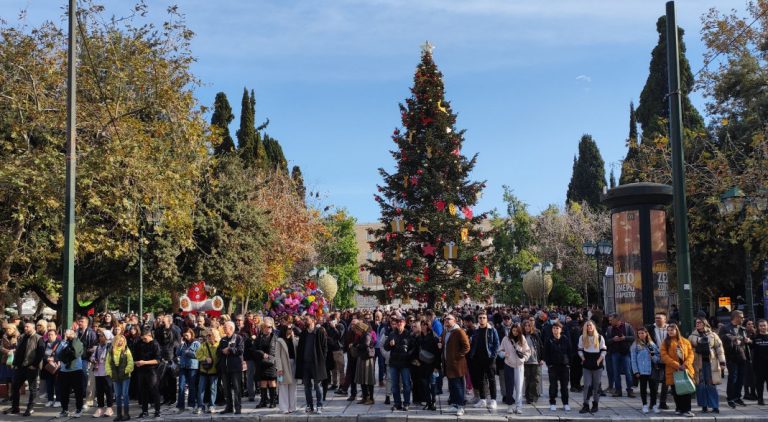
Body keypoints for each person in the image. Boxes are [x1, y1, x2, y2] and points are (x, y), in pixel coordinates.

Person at [3, 322, 44, 417]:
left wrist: (34, 365)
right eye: (25, 326)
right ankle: (15, 407)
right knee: (15, 386)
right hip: (20, 367)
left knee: (32, 389)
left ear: (33, 328)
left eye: (27, 327)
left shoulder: (39, 338)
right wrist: (15, 364)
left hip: (31, 368)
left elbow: (40, 354)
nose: (25, 328)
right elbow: (18, 351)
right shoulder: (22, 337)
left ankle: (30, 408)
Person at [689, 318, 725, 414]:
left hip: (711, 363)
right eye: (696, 323)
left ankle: (715, 406)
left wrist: (722, 362)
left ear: (705, 323)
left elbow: (719, 348)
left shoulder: (713, 335)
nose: (697, 324)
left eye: (699, 322)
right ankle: (704, 406)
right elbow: (689, 349)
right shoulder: (692, 336)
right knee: (700, 385)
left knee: (711, 384)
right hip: (698, 364)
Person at [660, 323, 695, 417]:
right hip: (673, 370)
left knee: (686, 390)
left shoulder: (685, 341)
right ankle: (679, 408)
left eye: (672, 330)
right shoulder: (665, 342)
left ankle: (687, 410)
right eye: (669, 330)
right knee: (676, 391)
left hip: (685, 369)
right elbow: (664, 356)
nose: (670, 332)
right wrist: (676, 365)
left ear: (677, 330)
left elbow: (691, 354)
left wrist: (685, 364)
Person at [296, 314, 328, 414]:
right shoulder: (304, 333)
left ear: (313, 320)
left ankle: (319, 405)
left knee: (317, 386)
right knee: (306, 386)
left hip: (316, 363)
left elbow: (324, 348)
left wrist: (322, 360)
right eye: (304, 319)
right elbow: (300, 348)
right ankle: (309, 405)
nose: (305, 321)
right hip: (305, 364)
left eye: (307, 319)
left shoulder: (319, 332)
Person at [384, 312, 417, 411]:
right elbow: (386, 347)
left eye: (401, 322)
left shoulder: (408, 334)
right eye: (397, 322)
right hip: (394, 363)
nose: (399, 324)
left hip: (405, 363)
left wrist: (408, 355)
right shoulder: (392, 334)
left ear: (404, 323)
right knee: (395, 385)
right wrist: (390, 344)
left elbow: (414, 347)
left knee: (406, 384)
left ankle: (406, 403)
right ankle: (397, 403)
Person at [468, 311, 500, 409]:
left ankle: (493, 400)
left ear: (487, 319)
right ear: (478, 319)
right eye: (480, 318)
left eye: (484, 317)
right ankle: (483, 400)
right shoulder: (476, 331)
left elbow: (496, 344)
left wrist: (493, 356)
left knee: (491, 379)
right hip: (478, 359)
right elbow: (473, 344)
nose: (482, 319)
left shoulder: (492, 330)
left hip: (489, 359)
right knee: (480, 380)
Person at [719, 310, 750, 408]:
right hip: (731, 357)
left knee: (740, 378)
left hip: (742, 356)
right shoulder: (725, 328)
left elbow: (743, 342)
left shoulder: (742, 329)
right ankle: (730, 398)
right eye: (741, 317)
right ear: (735, 317)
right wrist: (732, 340)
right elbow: (721, 341)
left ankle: (737, 397)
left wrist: (746, 341)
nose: (743, 319)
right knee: (733, 378)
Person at [440, 313, 470, 416]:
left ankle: (461, 406)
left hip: (457, 364)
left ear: (454, 321)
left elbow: (466, 347)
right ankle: (454, 404)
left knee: (458, 386)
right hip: (448, 363)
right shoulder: (445, 332)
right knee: (452, 385)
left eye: (449, 319)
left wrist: (457, 357)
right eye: (445, 319)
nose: (446, 320)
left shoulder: (459, 331)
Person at [499, 323, 530, 414]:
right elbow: (500, 351)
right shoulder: (506, 339)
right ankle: (510, 405)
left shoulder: (522, 339)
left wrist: (523, 359)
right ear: (511, 330)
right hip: (508, 365)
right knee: (509, 386)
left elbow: (527, 351)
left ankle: (518, 406)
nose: (515, 332)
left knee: (519, 387)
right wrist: (504, 354)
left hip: (520, 366)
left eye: (517, 331)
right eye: (513, 330)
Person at [578, 320, 606, 414]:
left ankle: (595, 404)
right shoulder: (582, 337)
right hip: (587, 363)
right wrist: (582, 358)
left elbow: (604, 350)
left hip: (597, 364)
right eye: (587, 325)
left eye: (590, 325)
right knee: (587, 385)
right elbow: (580, 349)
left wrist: (599, 360)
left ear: (594, 326)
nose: (589, 327)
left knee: (596, 385)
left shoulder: (599, 337)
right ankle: (585, 404)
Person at [630, 327, 660, 414]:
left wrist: (654, 357)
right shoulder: (635, 345)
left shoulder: (652, 344)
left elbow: (658, 356)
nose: (641, 335)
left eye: (642, 333)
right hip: (641, 370)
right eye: (639, 333)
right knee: (643, 388)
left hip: (652, 369)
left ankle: (654, 405)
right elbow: (633, 359)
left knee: (653, 389)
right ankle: (644, 405)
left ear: (646, 333)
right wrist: (636, 371)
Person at [56, 329, 85, 418]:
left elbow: (76, 353)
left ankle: (79, 409)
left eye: (69, 333)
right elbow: (57, 353)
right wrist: (64, 341)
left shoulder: (77, 342)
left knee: (78, 391)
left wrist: (70, 342)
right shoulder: (63, 342)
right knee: (64, 392)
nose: (67, 335)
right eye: (66, 333)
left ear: (74, 334)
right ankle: (64, 409)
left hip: (76, 370)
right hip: (64, 371)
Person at [605, 313, 635, 398]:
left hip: (625, 352)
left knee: (628, 372)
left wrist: (624, 338)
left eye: (612, 320)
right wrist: (613, 340)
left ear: (617, 320)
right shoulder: (610, 329)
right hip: (615, 353)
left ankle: (630, 390)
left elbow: (633, 337)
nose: (610, 322)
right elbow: (606, 341)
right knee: (616, 372)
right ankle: (618, 390)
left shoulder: (627, 326)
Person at [218, 321, 244, 414]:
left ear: (231, 328)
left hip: (235, 368)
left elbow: (240, 350)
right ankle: (229, 407)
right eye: (224, 327)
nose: (224, 328)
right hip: (225, 368)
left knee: (237, 389)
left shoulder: (238, 338)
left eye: (225, 327)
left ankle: (238, 408)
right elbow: (218, 352)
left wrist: (230, 349)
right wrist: (222, 351)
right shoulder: (223, 339)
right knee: (226, 389)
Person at [544, 321, 572, 411]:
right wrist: (549, 364)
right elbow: (546, 354)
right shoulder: (549, 340)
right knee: (553, 385)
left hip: (564, 366)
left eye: (557, 328)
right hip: (553, 366)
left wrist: (568, 363)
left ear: (561, 329)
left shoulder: (565, 339)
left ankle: (565, 403)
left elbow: (570, 352)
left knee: (564, 386)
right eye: (553, 328)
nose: (555, 330)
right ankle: (552, 402)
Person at [106, 334, 134, 422]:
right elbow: (107, 363)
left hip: (125, 375)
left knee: (125, 395)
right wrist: (110, 373)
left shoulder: (126, 350)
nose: (121, 342)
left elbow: (130, 362)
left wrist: (126, 370)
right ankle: (119, 415)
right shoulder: (111, 351)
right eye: (119, 340)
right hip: (115, 376)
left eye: (122, 340)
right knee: (117, 395)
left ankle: (126, 414)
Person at [134, 329, 161, 419]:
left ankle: (157, 411)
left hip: (152, 370)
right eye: (142, 338)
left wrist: (144, 362)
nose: (143, 340)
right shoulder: (140, 343)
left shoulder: (155, 344)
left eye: (145, 338)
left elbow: (157, 360)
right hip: (141, 370)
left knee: (154, 390)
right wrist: (136, 362)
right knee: (143, 391)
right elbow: (135, 356)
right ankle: (144, 411)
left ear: (150, 336)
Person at [414, 320, 440, 411]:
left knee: (432, 384)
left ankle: (433, 401)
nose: (423, 326)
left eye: (425, 325)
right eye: (421, 325)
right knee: (424, 384)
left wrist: (437, 366)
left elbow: (438, 353)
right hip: (422, 364)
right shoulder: (419, 337)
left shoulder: (434, 336)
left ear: (428, 326)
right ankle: (428, 402)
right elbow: (416, 350)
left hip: (432, 364)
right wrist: (416, 361)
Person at [253, 318, 278, 408]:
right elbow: (254, 349)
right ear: (263, 327)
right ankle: (263, 401)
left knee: (271, 381)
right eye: (267, 327)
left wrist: (271, 357)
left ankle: (273, 401)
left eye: (270, 327)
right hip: (261, 362)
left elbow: (277, 350)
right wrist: (262, 354)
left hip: (271, 362)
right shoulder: (259, 337)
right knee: (263, 381)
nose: (269, 328)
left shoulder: (275, 337)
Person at [647, 312, 670, 409]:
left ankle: (663, 402)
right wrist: (653, 356)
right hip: (655, 357)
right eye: (656, 318)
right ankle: (653, 402)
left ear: (665, 319)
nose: (657, 320)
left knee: (666, 381)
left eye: (659, 318)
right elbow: (647, 343)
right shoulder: (650, 329)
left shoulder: (670, 328)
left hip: (667, 358)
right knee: (654, 382)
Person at [275, 324, 299, 414]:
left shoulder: (294, 340)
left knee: (293, 386)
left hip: (293, 365)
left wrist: (293, 335)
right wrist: (279, 368)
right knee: (283, 386)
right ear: (285, 330)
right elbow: (277, 356)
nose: (291, 330)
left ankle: (292, 407)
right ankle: (284, 408)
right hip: (284, 365)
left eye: (292, 329)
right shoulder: (279, 341)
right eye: (289, 329)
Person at [195, 329, 220, 414]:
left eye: (210, 335)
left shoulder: (219, 345)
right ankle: (200, 406)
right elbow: (197, 355)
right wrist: (205, 358)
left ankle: (212, 405)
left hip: (214, 370)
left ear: (215, 336)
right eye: (208, 335)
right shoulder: (203, 345)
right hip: (204, 370)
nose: (208, 337)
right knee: (201, 389)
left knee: (213, 389)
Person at [90, 329, 114, 418]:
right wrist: (93, 359)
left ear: (107, 337)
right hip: (98, 371)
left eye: (102, 336)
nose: (100, 337)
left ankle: (109, 408)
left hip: (107, 371)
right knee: (99, 390)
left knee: (108, 390)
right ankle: (100, 408)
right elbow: (93, 356)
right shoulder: (98, 347)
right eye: (99, 336)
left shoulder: (110, 347)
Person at [175, 328, 200, 413]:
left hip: (192, 367)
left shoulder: (196, 343)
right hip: (183, 366)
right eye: (184, 335)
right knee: (181, 386)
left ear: (191, 334)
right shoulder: (183, 343)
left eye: (187, 335)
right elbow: (177, 353)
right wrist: (180, 345)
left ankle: (191, 404)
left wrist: (188, 353)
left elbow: (198, 355)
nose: (186, 337)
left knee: (191, 386)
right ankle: (180, 405)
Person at [352, 321, 376, 405]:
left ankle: (371, 398)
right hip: (362, 358)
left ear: (360, 329)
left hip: (367, 359)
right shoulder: (361, 335)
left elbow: (366, 345)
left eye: (356, 330)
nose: (356, 332)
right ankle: (365, 397)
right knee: (362, 379)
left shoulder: (367, 335)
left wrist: (358, 345)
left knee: (368, 379)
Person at [521, 319, 543, 404]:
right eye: (525, 326)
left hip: (535, 360)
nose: (527, 327)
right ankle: (528, 397)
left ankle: (533, 396)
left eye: (528, 326)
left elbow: (541, 346)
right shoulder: (521, 336)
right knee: (527, 379)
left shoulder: (535, 335)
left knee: (535, 379)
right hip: (525, 361)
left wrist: (541, 358)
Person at [41, 329, 61, 408]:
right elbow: (42, 354)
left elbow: (62, 354)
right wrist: (46, 359)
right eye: (48, 335)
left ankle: (58, 400)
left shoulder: (59, 343)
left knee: (57, 384)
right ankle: (50, 400)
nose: (50, 336)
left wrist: (54, 359)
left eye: (52, 334)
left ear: (56, 335)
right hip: (48, 367)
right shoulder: (45, 343)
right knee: (49, 384)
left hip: (57, 366)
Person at [325, 314, 345, 391]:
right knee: (333, 368)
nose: (331, 321)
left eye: (333, 319)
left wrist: (334, 327)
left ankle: (342, 385)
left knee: (341, 369)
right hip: (331, 349)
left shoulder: (340, 326)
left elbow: (339, 335)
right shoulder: (329, 327)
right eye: (330, 319)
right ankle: (334, 384)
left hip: (338, 350)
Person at [751, 319, 768, 405]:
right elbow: (750, 347)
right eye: (761, 326)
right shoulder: (755, 338)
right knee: (759, 384)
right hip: (758, 365)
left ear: (767, 326)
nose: (763, 327)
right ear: (758, 327)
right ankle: (760, 399)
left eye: (764, 325)